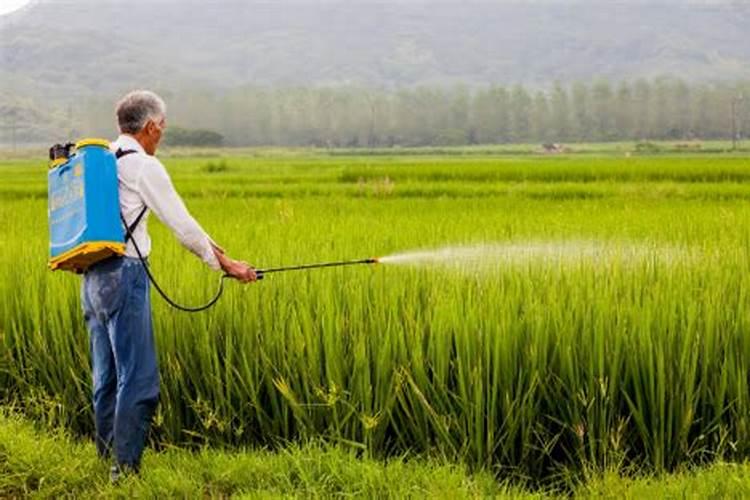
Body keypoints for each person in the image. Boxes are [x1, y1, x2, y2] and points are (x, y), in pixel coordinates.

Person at [80, 90, 256, 482]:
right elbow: (182, 225)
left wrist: (218, 253)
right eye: (162, 127)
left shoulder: (102, 158)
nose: (162, 135)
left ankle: (105, 457)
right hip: (125, 275)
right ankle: (124, 474)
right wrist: (224, 264)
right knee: (139, 379)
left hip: (92, 277)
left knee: (106, 375)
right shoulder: (143, 167)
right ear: (151, 126)